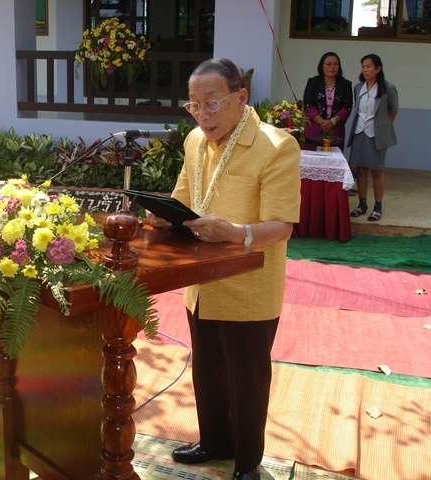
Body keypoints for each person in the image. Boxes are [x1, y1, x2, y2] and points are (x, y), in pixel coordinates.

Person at [145, 58, 301, 480]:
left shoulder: (277, 146)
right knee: (207, 371)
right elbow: (183, 198)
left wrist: (235, 233)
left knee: (247, 379)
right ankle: (214, 441)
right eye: (194, 105)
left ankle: (247, 462)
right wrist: (165, 217)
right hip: (201, 283)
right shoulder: (195, 140)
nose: (203, 115)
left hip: (249, 285)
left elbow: (282, 226)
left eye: (212, 103)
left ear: (241, 97)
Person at [348, 54, 399, 222]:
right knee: (361, 170)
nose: (365, 70)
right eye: (363, 66)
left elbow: (393, 110)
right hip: (359, 133)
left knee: (377, 171)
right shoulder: (358, 87)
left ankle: (378, 207)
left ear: (378, 69)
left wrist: (382, 127)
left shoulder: (388, 88)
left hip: (376, 135)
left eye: (369, 66)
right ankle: (362, 204)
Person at [302, 52, 353, 147]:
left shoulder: (346, 84)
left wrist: (332, 122)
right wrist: (325, 124)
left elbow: (347, 107)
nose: (332, 67)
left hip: (335, 132)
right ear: (322, 66)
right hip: (314, 132)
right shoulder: (313, 82)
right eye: (328, 64)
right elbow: (308, 105)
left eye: (335, 64)